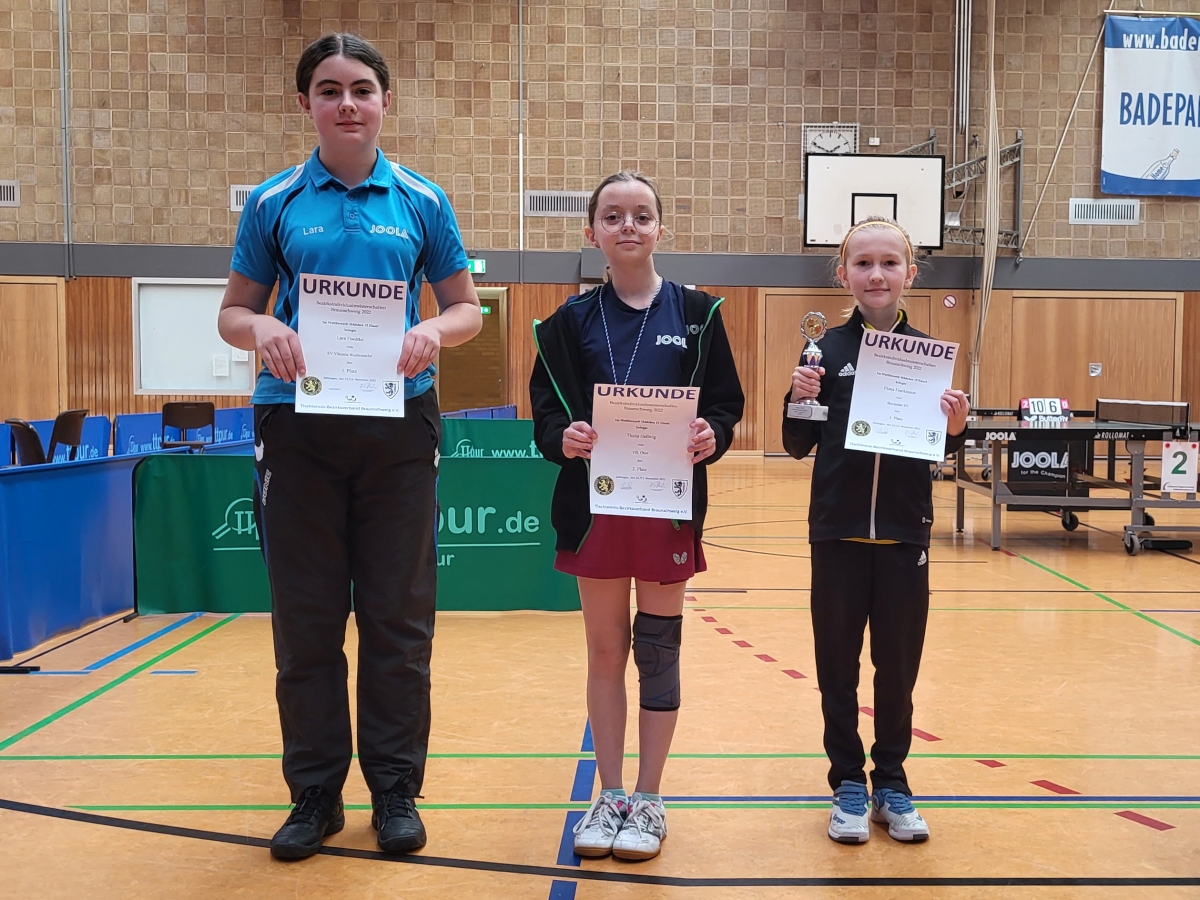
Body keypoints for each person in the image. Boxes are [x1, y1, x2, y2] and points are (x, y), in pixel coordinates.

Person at [216, 33, 482, 860]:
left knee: (399, 619)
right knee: (307, 622)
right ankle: (315, 794)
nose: (347, 104)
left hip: (398, 423)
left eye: (361, 89)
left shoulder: (423, 200)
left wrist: (433, 331)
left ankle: (395, 790)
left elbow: (466, 307)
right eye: (329, 90)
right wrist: (261, 327)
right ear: (306, 103)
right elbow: (233, 312)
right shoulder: (273, 202)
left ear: (385, 101)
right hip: (296, 426)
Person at [529, 171, 744, 861]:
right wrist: (562, 437)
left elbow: (725, 403)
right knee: (604, 651)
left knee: (657, 651)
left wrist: (713, 433)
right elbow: (545, 412)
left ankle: (649, 798)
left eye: (642, 215)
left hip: (666, 512)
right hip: (595, 511)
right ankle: (610, 792)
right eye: (614, 215)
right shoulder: (567, 322)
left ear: (660, 229)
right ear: (591, 232)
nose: (629, 226)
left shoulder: (698, 313)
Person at [782, 217, 969, 845]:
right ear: (844, 275)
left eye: (890, 263)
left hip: (903, 537)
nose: (877, 274)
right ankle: (847, 783)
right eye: (863, 263)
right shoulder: (824, 351)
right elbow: (796, 442)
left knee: (898, 671)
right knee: (837, 670)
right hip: (836, 535)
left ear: (910, 274)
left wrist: (956, 427)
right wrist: (799, 396)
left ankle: (891, 781)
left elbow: (936, 447)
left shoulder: (929, 357)